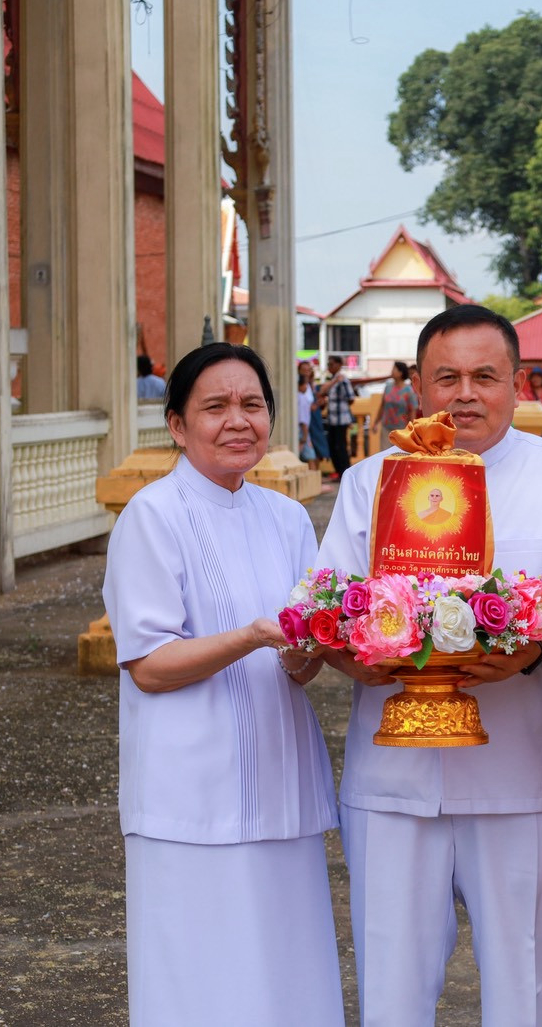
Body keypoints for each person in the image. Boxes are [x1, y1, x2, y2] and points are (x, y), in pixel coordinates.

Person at [316, 304, 542, 1027]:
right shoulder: (370, 481)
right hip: (393, 779)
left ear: (517, 383)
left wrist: (526, 646)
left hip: (521, 774)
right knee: (390, 986)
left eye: (485, 376)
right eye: (446, 376)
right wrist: (358, 657)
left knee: (526, 986)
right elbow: (328, 606)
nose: (465, 394)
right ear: (417, 383)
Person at [101, 342, 344, 1026]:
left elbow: (304, 651)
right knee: (199, 978)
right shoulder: (152, 515)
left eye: (252, 405)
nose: (238, 421)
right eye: (215, 407)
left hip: (281, 781)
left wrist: (304, 653)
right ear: (177, 424)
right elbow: (148, 665)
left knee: (285, 970)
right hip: (190, 792)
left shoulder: (287, 517)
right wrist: (251, 636)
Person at [320, 355, 358, 480]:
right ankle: (339, 472)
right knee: (332, 446)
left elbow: (351, 398)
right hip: (333, 419)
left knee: (340, 447)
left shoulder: (343, 380)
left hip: (341, 419)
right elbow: (322, 391)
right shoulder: (334, 380)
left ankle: (344, 472)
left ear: (338, 365)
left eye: (331, 364)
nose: (329, 367)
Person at [377, 360, 420, 453]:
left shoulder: (408, 391)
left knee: (399, 455)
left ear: (400, 373)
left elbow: (412, 410)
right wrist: (376, 422)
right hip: (386, 427)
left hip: (401, 429)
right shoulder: (388, 386)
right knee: (384, 454)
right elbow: (382, 405)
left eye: (394, 369)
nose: (392, 371)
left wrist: (412, 429)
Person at [297, 361, 318, 467]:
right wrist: (305, 435)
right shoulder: (301, 398)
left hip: (308, 425)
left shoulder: (308, 390)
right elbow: (303, 419)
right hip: (303, 427)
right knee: (310, 456)